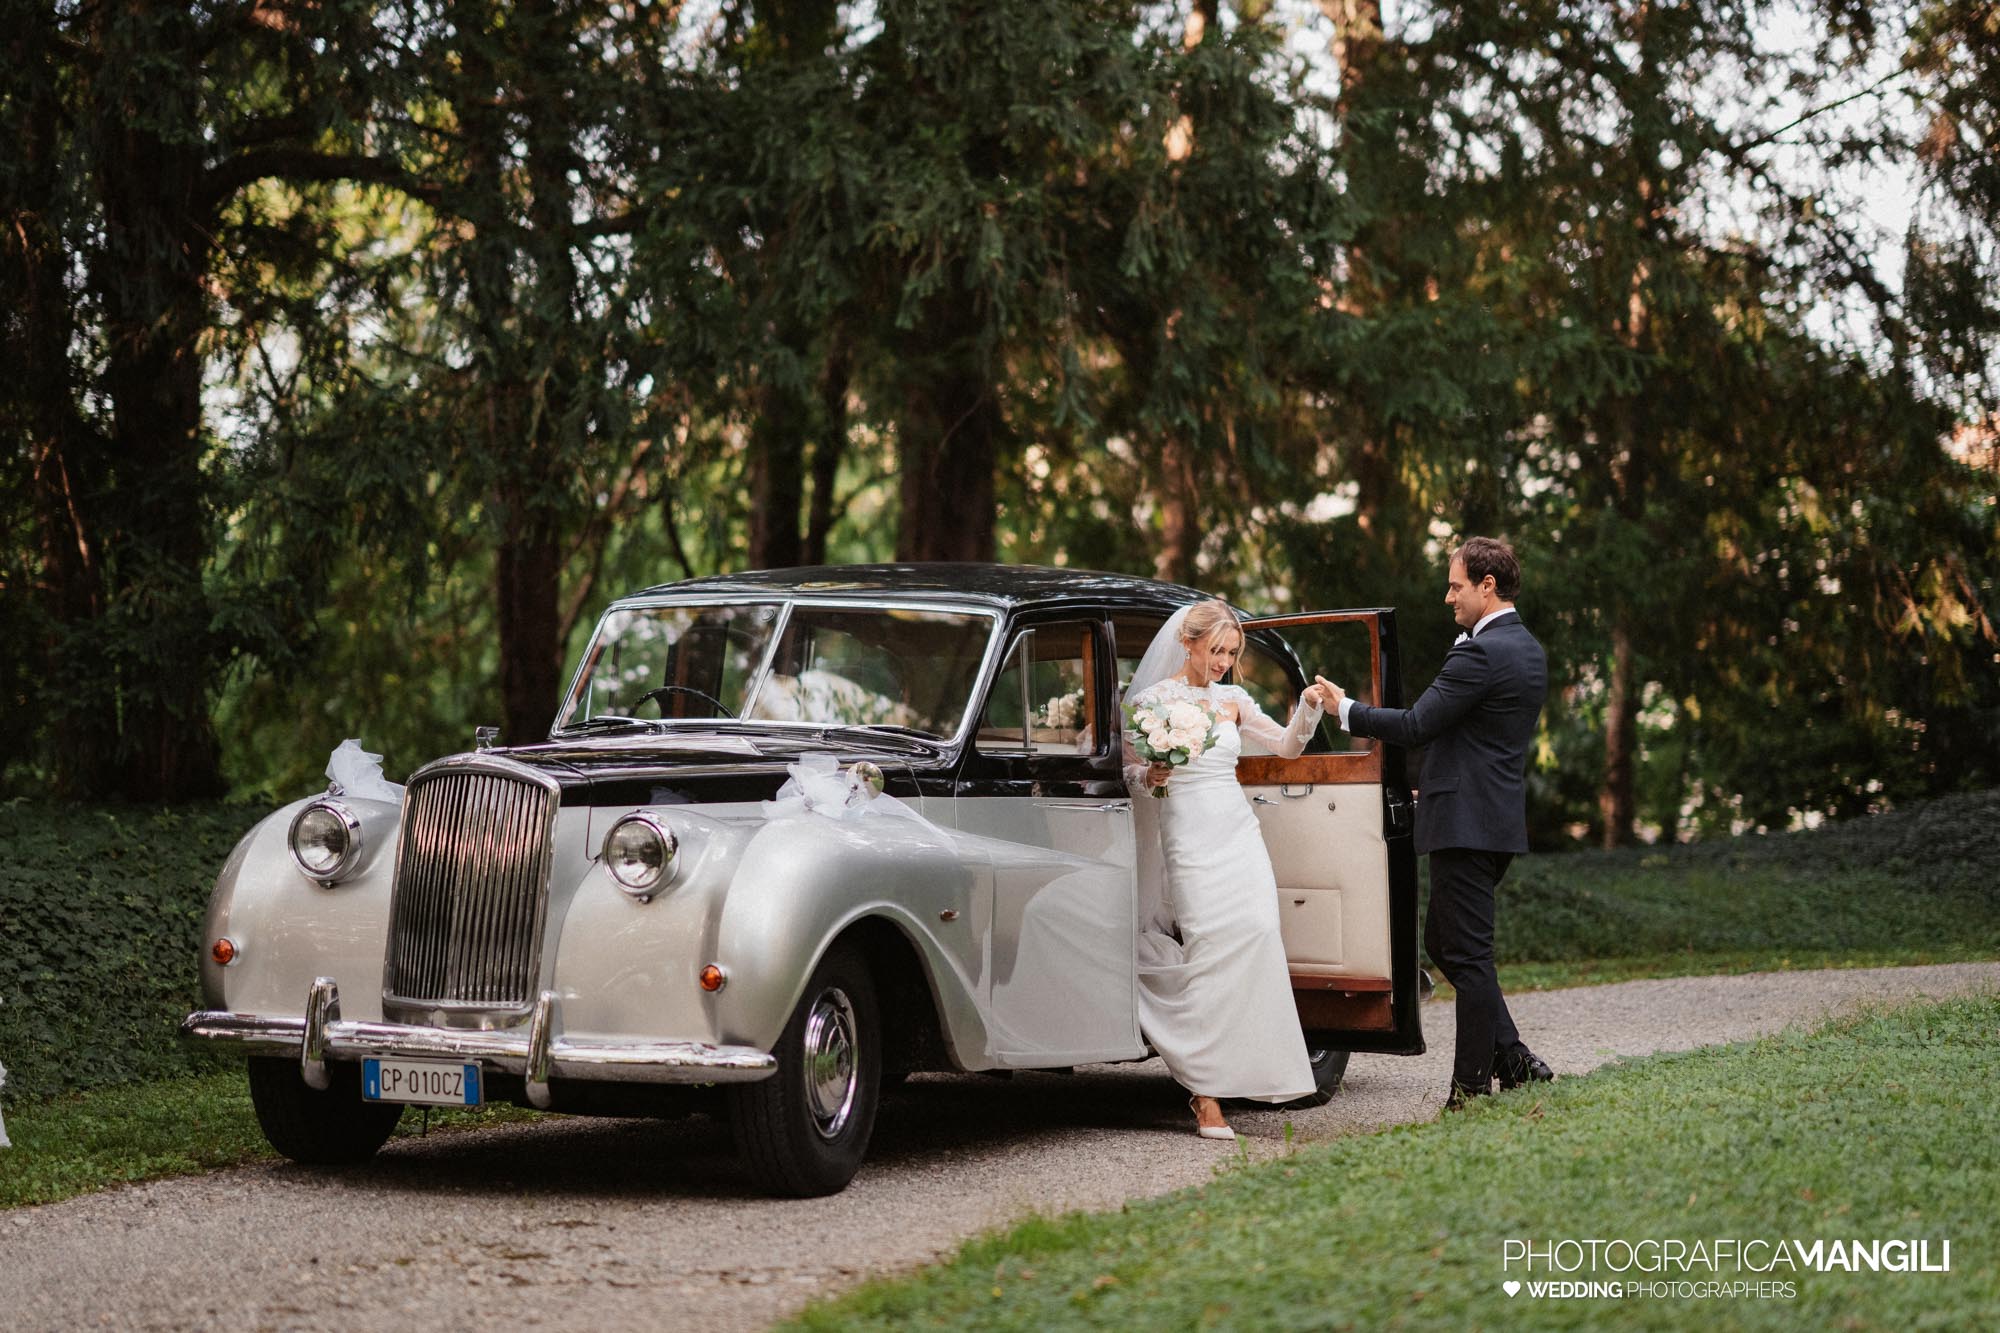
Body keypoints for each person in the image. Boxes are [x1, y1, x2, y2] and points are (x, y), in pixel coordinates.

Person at [1317, 536, 1554, 1110]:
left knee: (1467, 956)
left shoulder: (1481, 652)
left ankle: (1470, 1090)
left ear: (1486, 585)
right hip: (1486, 817)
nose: (1448, 596)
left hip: (1467, 823)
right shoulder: (1527, 648)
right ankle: (1515, 1058)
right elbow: (1477, 737)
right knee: (1443, 943)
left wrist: (1344, 709)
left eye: (1456, 585)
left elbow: (1420, 722)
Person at [1121, 599, 1333, 1139]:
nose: (1222, 661)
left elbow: (1286, 748)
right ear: (1187, 643)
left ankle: (1249, 1068)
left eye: (1231, 653)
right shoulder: (1151, 701)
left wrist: (1307, 708)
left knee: (1259, 934)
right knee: (1210, 947)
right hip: (1188, 835)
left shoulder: (1235, 700)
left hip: (1237, 832)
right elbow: (1129, 769)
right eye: (1215, 650)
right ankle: (1204, 1094)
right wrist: (1152, 775)